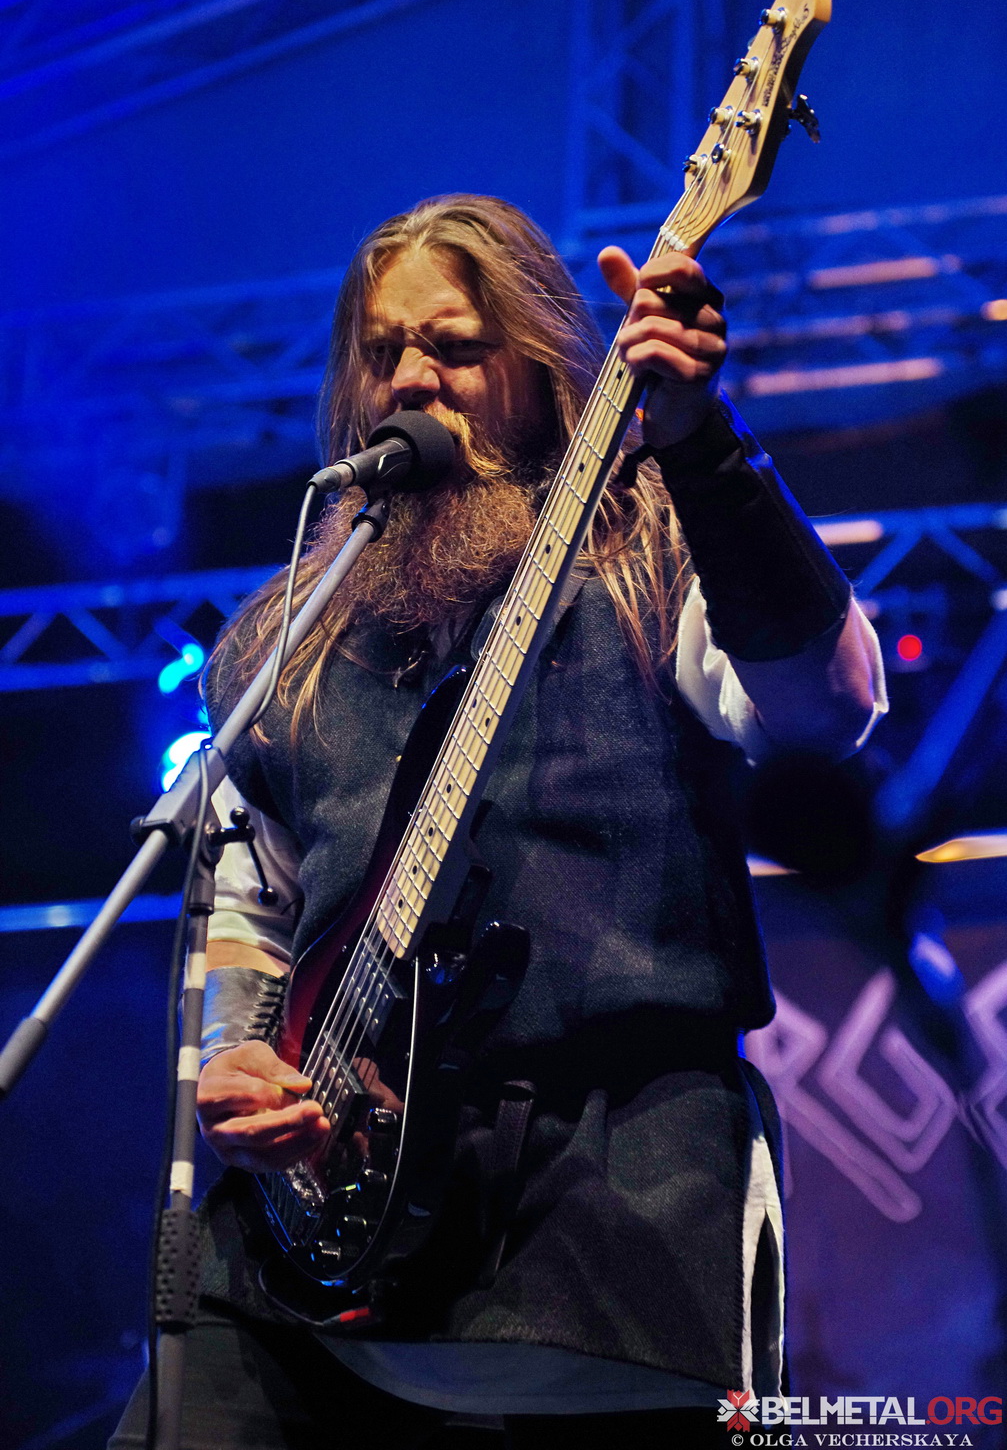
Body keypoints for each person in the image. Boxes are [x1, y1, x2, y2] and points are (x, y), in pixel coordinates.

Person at [110, 195, 885, 1449]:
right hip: (313, 1233)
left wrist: (704, 447)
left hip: (604, 1218)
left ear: (537, 362)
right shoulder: (289, 630)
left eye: (454, 345)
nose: (412, 376)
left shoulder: (655, 546)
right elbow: (250, 894)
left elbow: (825, 708)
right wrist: (237, 1052)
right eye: (382, 349)